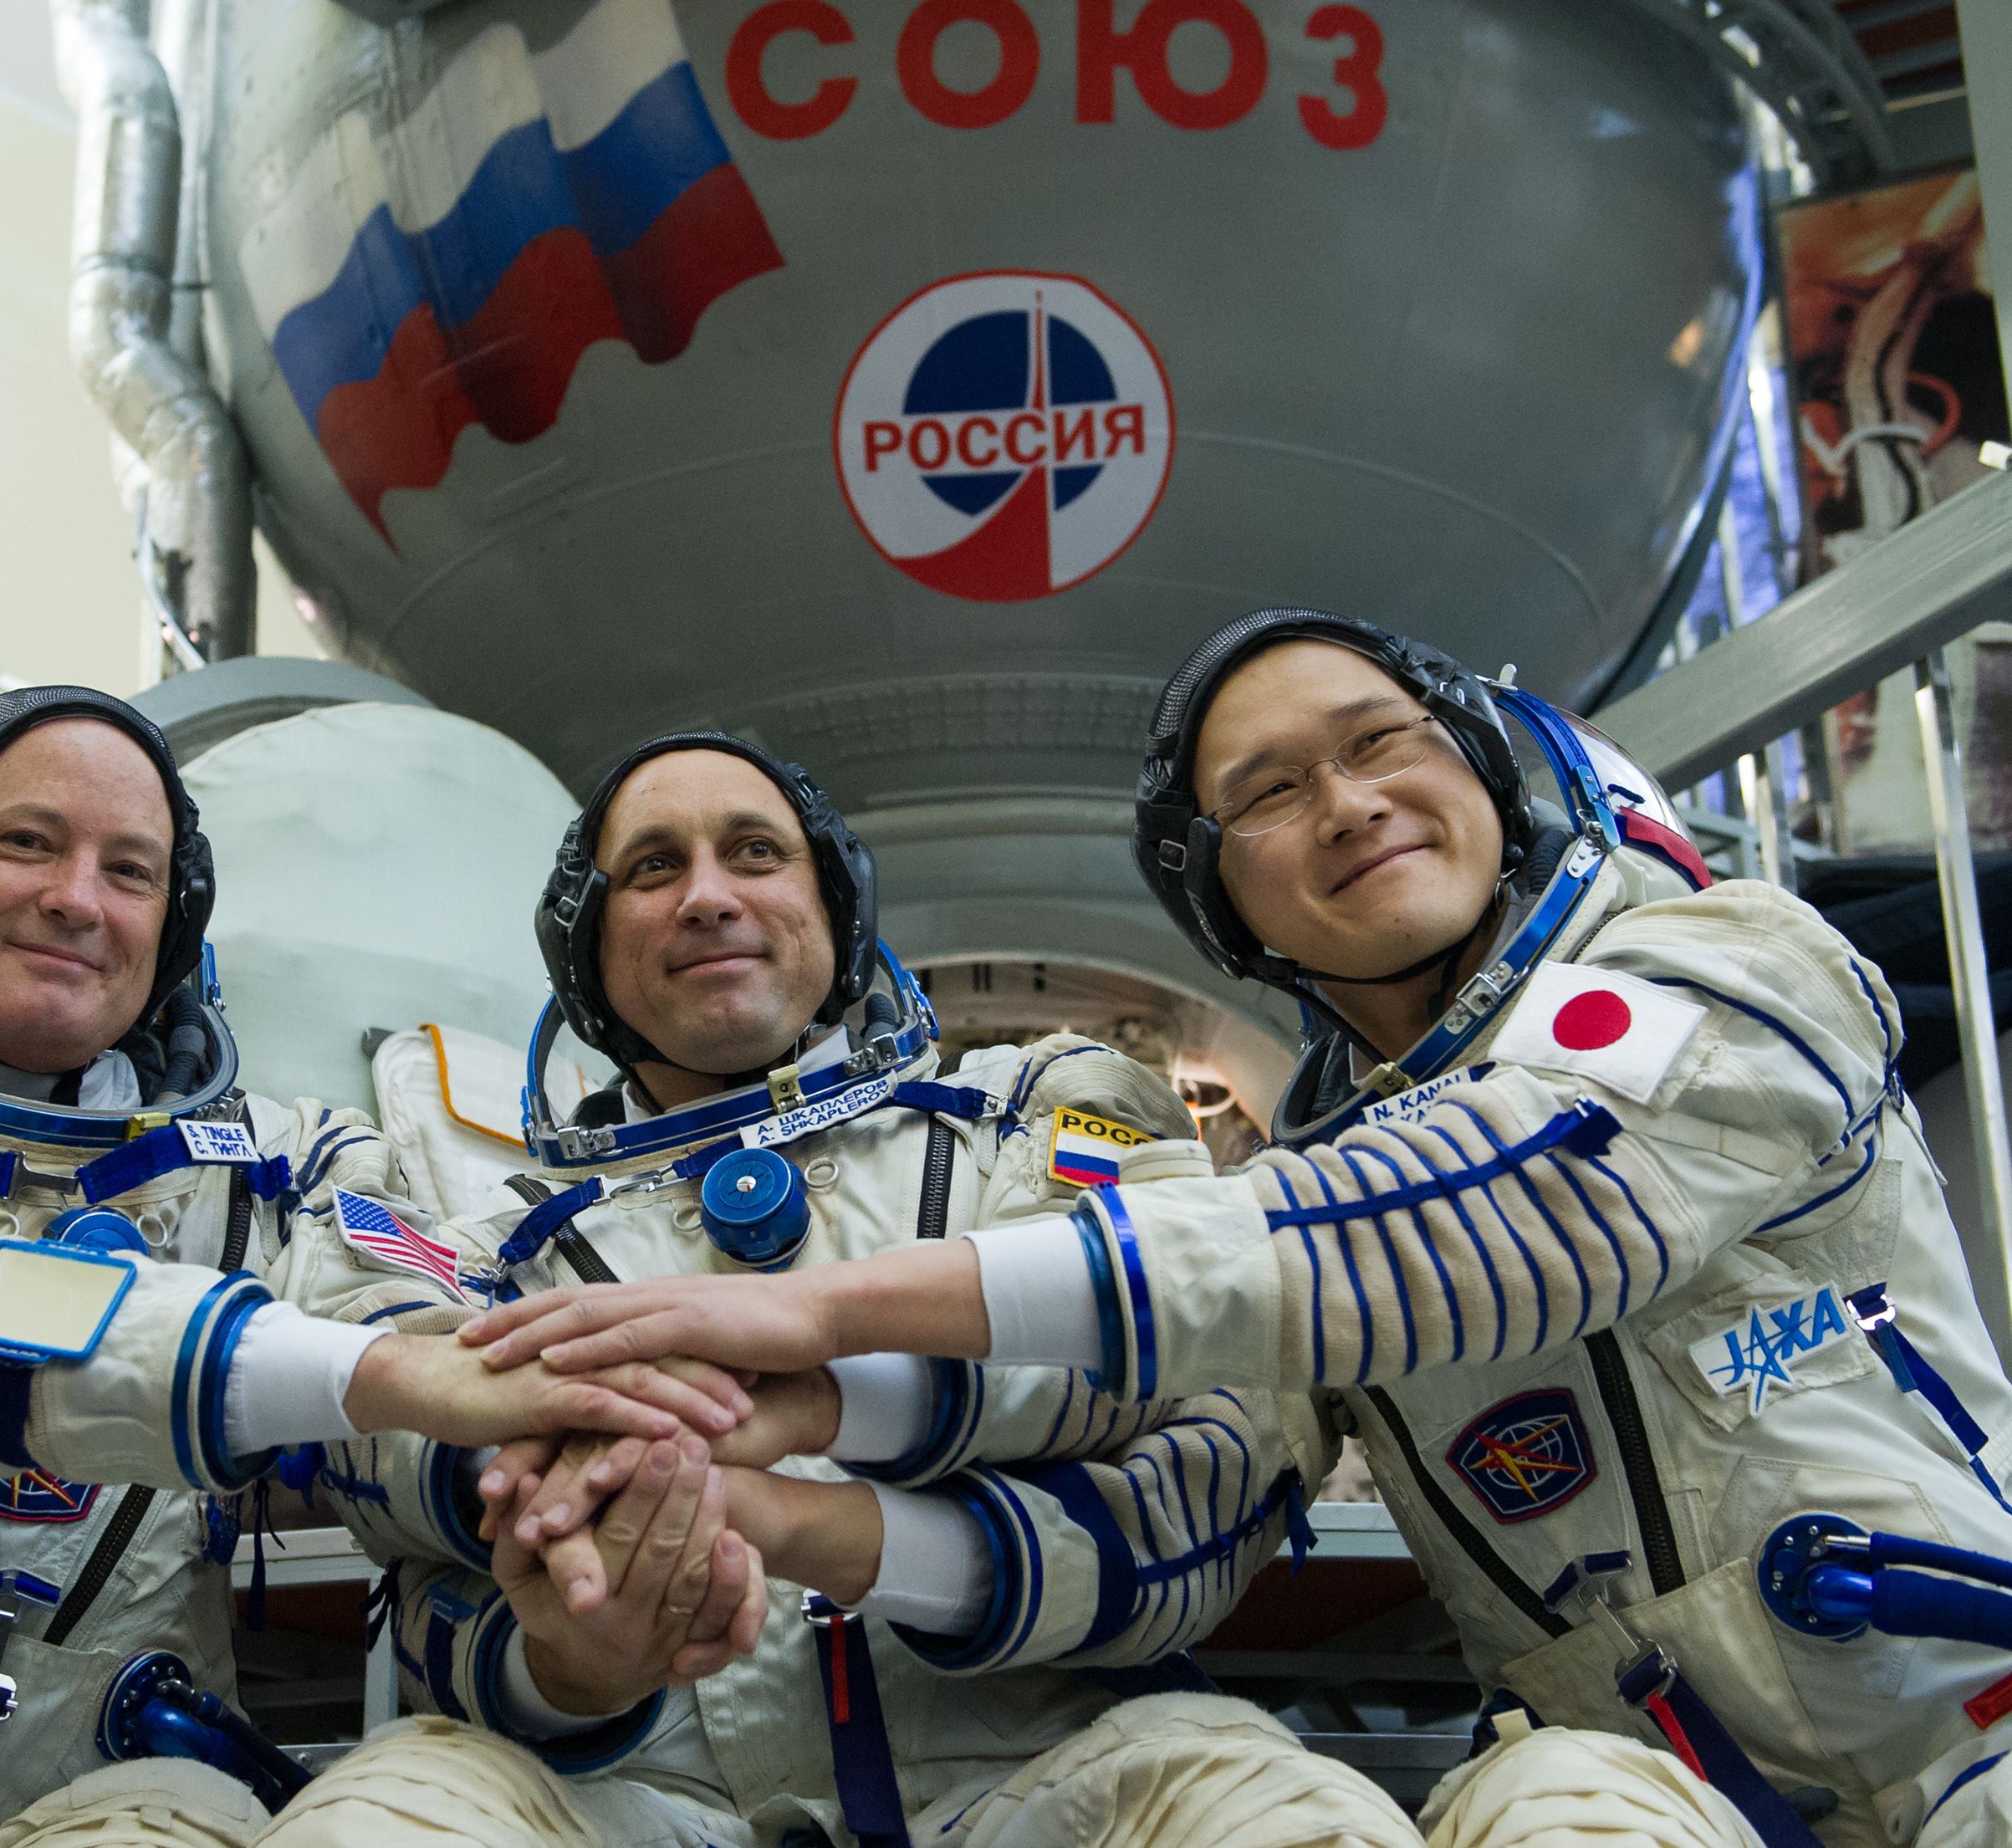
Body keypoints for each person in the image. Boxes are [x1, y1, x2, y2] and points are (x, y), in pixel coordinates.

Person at [462, 611, 2012, 1848]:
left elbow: (1504, 1203)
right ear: (1230, 909)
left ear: (1485, 762)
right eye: (1268, 794)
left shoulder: (1724, 959)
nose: (1347, 806)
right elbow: (1195, 1489)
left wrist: (828, 1321)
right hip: (1633, 1776)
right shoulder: (1300, 1188)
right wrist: (779, 1489)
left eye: (1381, 743)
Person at [0, 687, 746, 1848]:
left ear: (175, 925)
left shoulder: (284, 1164)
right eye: (29, 844)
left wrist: (540, 1478)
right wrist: (363, 1371)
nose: (78, 898)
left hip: (113, 1802)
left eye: (130, 870)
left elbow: (416, 1338)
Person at [261, 733, 1423, 1848]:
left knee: (1274, 1813)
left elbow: (1152, 1361)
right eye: (656, 866)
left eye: (756, 852)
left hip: (1052, 1767)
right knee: (386, 1810)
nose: (709, 896)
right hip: (625, 1792)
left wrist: (828, 1408)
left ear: (839, 904)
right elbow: (387, 1459)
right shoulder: (488, 1252)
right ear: (585, 944)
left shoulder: (1037, 1113)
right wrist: (570, 1659)